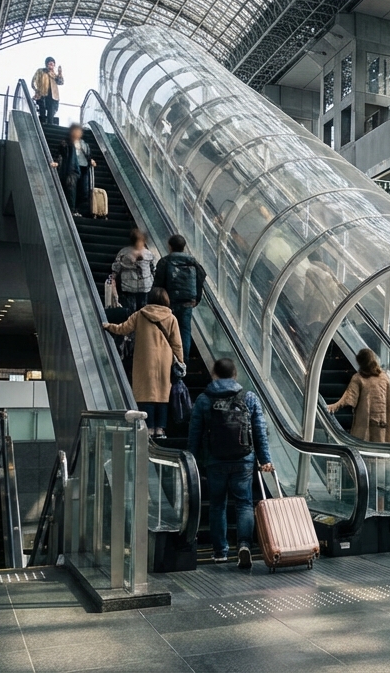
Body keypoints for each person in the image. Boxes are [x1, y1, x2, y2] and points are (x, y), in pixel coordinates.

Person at [188, 358, 273, 568]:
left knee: (217, 505)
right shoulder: (249, 397)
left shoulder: (203, 400)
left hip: (214, 460)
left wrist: (191, 459)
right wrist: (265, 460)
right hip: (243, 460)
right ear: (235, 374)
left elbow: (194, 434)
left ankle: (220, 552)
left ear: (214, 374)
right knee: (244, 503)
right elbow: (259, 432)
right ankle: (244, 545)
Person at [102, 288, 184, 438]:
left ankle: (149, 427)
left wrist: (108, 326)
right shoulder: (171, 318)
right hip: (165, 361)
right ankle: (160, 429)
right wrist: (180, 362)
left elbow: (123, 329)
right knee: (162, 395)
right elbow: (177, 344)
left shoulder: (140, 315)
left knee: (146, 394)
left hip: (145, 360)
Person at [152, 234, 206, 359]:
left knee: (166, 330)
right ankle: (183, 361)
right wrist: (196, 298)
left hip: (168, 302)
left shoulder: (165, 261)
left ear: (170, 247)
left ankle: (166, 359)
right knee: (184, 331)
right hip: (187, 302)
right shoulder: (192, 261)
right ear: (184, 246)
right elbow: (201, 278)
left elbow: (158, 283)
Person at [326, 348, 390, 442]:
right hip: (382, 424)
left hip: (364, 424)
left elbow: (349, 396)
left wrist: (334, 406)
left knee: (364, 448)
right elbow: (388, 403)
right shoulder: (384, 378)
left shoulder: (358, 378)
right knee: (380, 449)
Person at [49, 123, 95, 217]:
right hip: (72, 168)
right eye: (76, 131)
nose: (78, 133)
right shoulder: (66, 143)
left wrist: (91, 160)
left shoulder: (84, 144)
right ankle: (71, 210)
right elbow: (61, 154)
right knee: (71, 189)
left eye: (79, 131)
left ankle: (77, 208)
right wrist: (57, 162)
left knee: (84, 191)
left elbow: (88, 155)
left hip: (84, 168)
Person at [112, 229, 156, 313]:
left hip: (145, 287)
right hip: (129, 287)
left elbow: (153, 269)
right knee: (131, 311)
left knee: (142, 311)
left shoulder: (148, 253)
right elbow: (115, 268)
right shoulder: (124, 253)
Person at [31, 57, 63, 124]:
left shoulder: (54, 75)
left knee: (51, 111)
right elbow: (34, 81)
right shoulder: (41, 71)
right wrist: (36, 90)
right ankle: (42, 123)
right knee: (42, 108)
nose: (51, 64)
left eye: (53, 63)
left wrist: (60, 74)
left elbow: (61, 82)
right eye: (50, 63)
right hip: (42, 93)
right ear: (46, 64)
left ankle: (50, 124)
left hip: (53, 96)